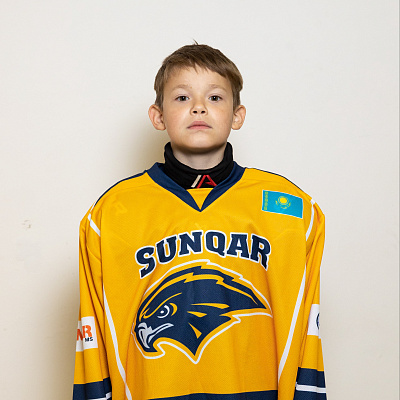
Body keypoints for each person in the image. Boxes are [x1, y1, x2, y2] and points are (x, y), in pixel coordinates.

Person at [73, 43, 326, 400]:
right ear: (158, 116)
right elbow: (93, 338)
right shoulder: (110, 215)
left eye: (215, 97)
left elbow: (307, 334)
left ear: (237, 115)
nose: (199, 107)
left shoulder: (295, 211)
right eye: (181, 97)